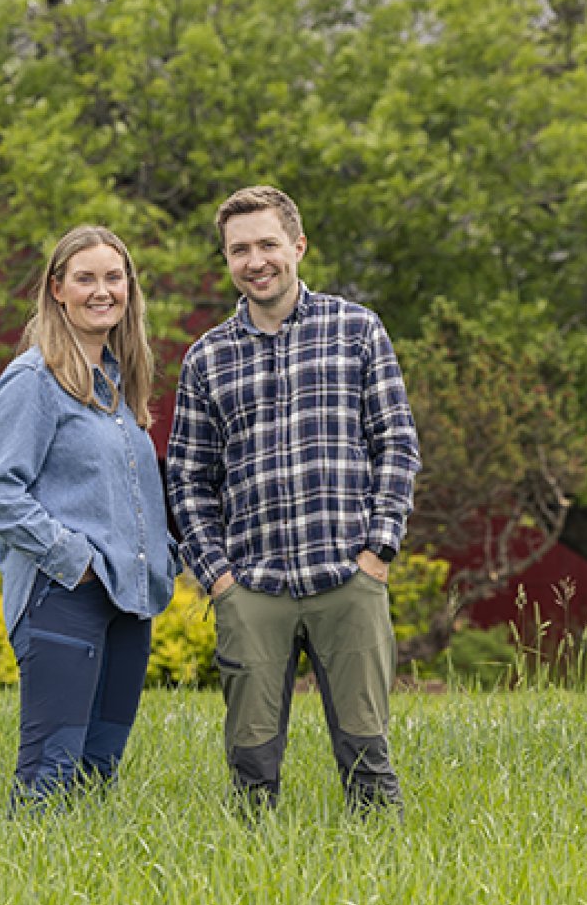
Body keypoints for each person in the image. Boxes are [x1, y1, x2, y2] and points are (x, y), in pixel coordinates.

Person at [166, 186, 421, 815]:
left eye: (268, 244)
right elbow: (188, 479)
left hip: (348, 577)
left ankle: (383, 862)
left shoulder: (356, 330)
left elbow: (396, 442)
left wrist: (378, 550)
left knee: (368, 756)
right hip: (252, 588)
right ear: (227, 259)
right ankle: (253, 866)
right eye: (240, 250)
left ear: (298, 246)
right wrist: (218, 577)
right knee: (250, 768)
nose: (256, 261)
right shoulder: (206, 359)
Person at [0, 225, 179, 804]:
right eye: (85, 278)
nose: (101, 291)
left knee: (98, 772)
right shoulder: (33, 381)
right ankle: (25, 863)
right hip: (63, 596)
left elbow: (124, 493)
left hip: (126, 602)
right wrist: (76, 559)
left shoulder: (118, 385)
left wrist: (161, 555)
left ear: (129, 288)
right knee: (50, 773)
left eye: (113, 277)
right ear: (57, 290)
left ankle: (81, 865)